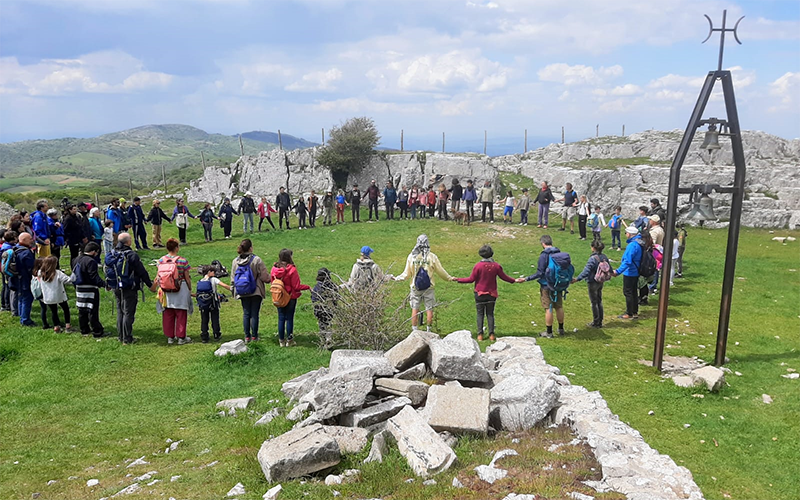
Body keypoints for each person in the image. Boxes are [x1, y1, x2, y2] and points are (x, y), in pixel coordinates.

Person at [451, 244, 516, 341]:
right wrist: (514, 280)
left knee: (480, 313)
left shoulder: (478, 266)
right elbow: (504, 277)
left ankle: (480, 335)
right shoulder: (496, 266)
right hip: (492, 293)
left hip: (479, 293)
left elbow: (471, 279)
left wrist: (458, 279)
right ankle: (491, 335)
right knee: (490, 313)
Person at [394, 234, 453, 332]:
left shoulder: (412, 257)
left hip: (415, 287)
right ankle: (429, 330)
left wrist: (397, 278)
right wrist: (449, 278)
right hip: (429, 287)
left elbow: (406, 274)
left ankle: (414, 330)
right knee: (429, 308)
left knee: (415, 308)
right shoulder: (432, 257)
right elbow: (440, 271)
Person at [516, 235, 568, 338]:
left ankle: (549, 332)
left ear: (543, 243)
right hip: (558, 283)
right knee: (559, 306)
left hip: (546, 284)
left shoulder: (544, 255)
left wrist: (526, 279)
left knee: (548, 308)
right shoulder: (558, 252)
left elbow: (539, 273)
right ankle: (561, 329)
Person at [109, 233, 155, 345]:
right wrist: (150, 285)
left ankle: (120, 336)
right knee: (128, 312)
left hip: (116, 285)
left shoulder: (112, 253)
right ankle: (127, 338)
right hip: (129, 287)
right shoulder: (131, 255)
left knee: (120, 310)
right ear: (128, 242)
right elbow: (142, 272)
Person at [231, 239, 270, 343]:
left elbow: (233, 277)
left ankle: (247, 337)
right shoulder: (256, 260)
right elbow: (264, 276)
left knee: (246, 313)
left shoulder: (235, 261)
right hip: (256, 290)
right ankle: (254, 336)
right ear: (251, 248)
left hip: (242, 290)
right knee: (254, 314)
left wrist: (233, 289)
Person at [156, 238, 193, 345]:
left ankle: (170, 337)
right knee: (181, 313)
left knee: (168, 314)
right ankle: (181, 337)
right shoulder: (182, 261)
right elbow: (187, 277)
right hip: (180, 288)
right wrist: (189, 288)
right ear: (176, 248)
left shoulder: (161, 260)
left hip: (166, 290)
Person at [270, 248, 311, 347]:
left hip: (278, 295)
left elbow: (272, 282)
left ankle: (281, 340)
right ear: (289, 257)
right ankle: (289, 340)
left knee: (281, 318)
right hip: (290, 296)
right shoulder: (292, 269)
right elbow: (296, 286)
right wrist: (308, 287)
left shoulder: (274, 269)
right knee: (289, 318)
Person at [573, 239, 610, 328]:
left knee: (594, 302)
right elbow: (609, 268)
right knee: (599, 300)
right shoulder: (604, 257)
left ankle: (596, 322)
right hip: (601, 281)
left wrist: (577, 279)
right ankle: (600, 320)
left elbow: (586, 271)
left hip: (592, 281)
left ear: (593, 248)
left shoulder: (592, 259)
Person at [73, 242, 106, 337]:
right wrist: (104, 284)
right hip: (90, 288)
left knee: (82, 309)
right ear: (93, 252)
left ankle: (84, 329)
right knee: (92, 310)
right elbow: (94, 277)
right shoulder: (91, 261)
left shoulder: (76, 259)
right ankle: (97, 330)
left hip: (79, 288)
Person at [36, 255, 74, 333]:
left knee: (54, 311)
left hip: (47, 296)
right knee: (66, 309)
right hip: (59, 295)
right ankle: (68, 326)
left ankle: (56, 327)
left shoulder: (40, 273)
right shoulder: (57, 273)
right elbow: (68, 280)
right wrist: (73, 275)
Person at [196, 264, 232, 343]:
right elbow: (224, 285)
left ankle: (204, 336)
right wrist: (232, 289)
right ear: (209, 272)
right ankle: (216, 334)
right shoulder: (213, 279)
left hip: (203, 304)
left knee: (204, 320)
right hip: (213, 302)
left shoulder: (200, 281)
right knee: (215, 318)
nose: (215, 273)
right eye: (213, 271)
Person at [613, 226, 643, 320]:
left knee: (628, 292)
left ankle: (629, 313)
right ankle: (635, 312)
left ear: (629, 234)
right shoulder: (639, 244)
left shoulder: (632, 245)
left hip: (630, 272)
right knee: (634, 292)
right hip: (636, 271)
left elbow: (627, 261)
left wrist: (618, 271)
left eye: (626, 233)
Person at [10, 233, 36, 325]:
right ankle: (25, 320)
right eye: (30, 239)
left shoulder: (15, 249)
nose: (32, 240)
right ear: (24, 240)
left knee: (21, 298)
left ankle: (22, 316)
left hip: (16, 278)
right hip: (25, 279)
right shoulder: (26, 253)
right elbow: (30, 267)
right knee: (27, 299)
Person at [312, 267, 338, 347]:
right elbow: (336, 296)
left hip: (319, 308)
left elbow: (313, 299)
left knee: (321, 324)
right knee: (328, 323)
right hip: (329, 308)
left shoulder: (317, 287)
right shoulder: (332, 286)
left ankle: (323, 339)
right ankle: (328, 338)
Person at [1, 230, 18, 313]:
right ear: (13, 238)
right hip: (8, 271)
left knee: (7, 286)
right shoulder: (8, 249)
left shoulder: (6, 246)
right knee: (8, 287)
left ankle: (7, 305)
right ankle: (8, 306)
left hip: (5, 270)